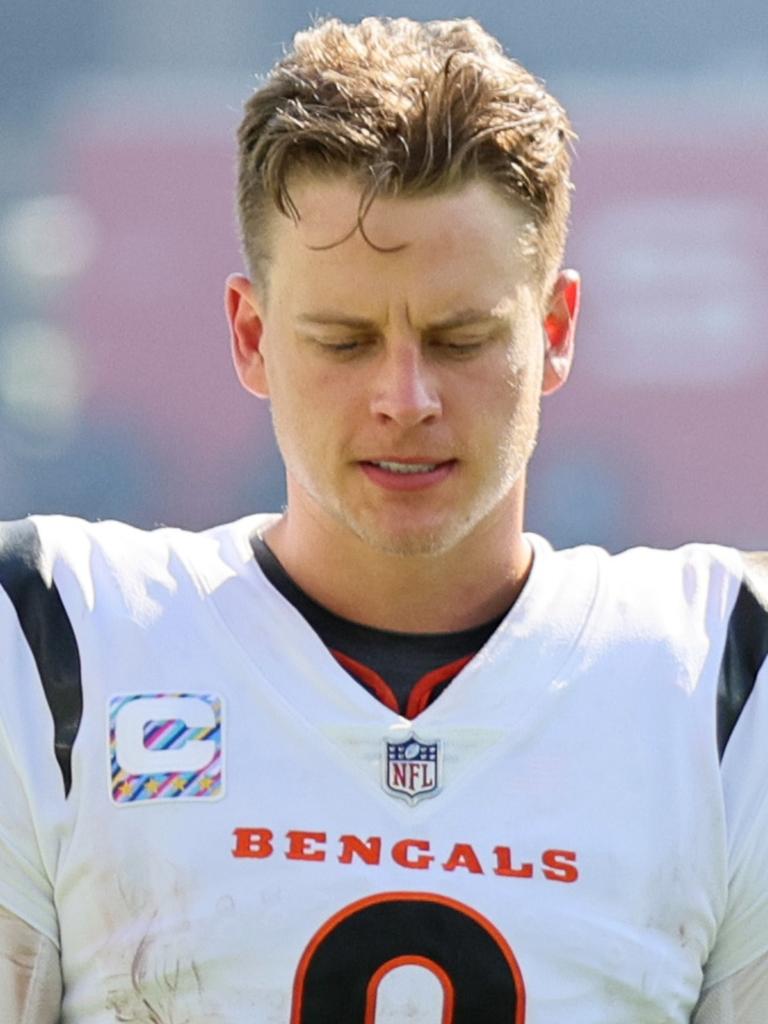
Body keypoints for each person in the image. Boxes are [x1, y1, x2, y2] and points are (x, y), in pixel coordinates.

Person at [1, 15, 766, 1023]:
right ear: (252, 336)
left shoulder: (720, 678)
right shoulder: (61, 639)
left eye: (460, 338)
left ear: (556, 331)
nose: (405, 397)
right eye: (345, 340)